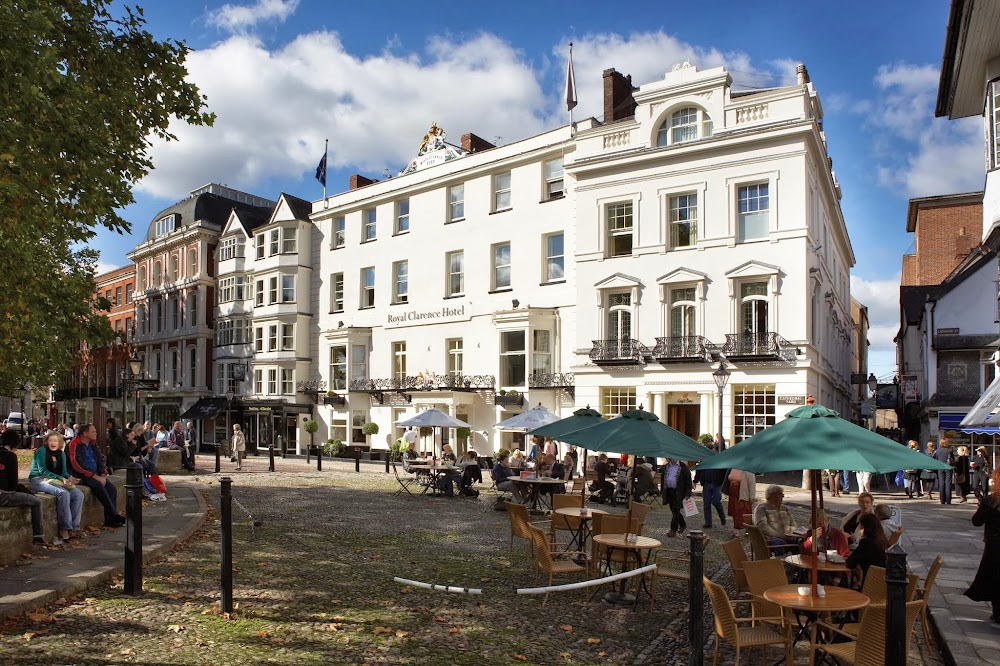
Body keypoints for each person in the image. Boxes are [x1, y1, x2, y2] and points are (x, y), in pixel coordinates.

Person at [29, 431, 84, 542]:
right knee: (63, 493)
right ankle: (64, 528)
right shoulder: (41, 451)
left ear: (60, 443)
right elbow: (42, 470)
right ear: (47, 442)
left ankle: (74, 527)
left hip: (54, 480)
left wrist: (70, 478)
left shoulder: (61, 454)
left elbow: (63, 472)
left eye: (55, 441)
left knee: (79, 494)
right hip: (38, 480)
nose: (53, 443)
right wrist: (60, 479)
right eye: (50, 441)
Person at [68, 424, 124, 527]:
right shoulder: (74, 444)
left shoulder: (93, 444)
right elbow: (76, 465)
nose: (96, 433)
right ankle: (115, 515)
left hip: (96, 474)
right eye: (93, 432)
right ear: (85, 433)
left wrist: (102, 473)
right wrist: (95, 476)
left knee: (112, 489)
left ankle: (110, 520)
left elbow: (100, 460)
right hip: (81, 476)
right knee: (98, 487)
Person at [965, 468, 1000, 623]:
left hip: (995, 545)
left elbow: (976, 521)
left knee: (994, 576)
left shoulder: (991, 501)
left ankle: (997, 612)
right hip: (994, 543)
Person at [0, 430, 47, 544]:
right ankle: (38, 535)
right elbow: (12, 485)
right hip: (3, 495)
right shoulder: (10, 456)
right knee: (36, 502)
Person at [753, 485, 801, 553]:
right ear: (773, 496)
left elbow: (793, 523)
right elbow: (762, 525)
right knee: (778, 542)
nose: (783, 496)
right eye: (781, 494)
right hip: (770, 538)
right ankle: (780, 562)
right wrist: (778, 535)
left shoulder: (784, 508)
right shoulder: (761, 508)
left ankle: (798, 562)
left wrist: (791, 532)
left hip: (787, 535)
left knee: (801, 541)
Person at [846, 513, 888, 584]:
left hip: (869, 582)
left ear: (866, 527)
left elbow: (850, 563)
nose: (860, 529)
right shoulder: (882, 540)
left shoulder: (866, 542)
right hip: (881, 580)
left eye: (861, 526)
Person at [661, 457, 693, 537]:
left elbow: (688, 481)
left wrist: (687, 494)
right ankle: (682, 524)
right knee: (673, 510)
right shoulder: (666, 467)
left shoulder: (683, 467)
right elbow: (663, 480)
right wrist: (662, 492)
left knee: (676, 509)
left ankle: (673, 530)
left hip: (679, 492)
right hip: (669, 491)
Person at [693, 457, 727, 529]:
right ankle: (708, 522)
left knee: (716, 501)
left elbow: (724, 471)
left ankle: (722, 516)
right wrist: (695, 481)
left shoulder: (719, 459)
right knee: (706, 504)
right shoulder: (704, 460)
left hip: (717, 484)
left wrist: (724, 483)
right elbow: (699, 471)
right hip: (707, 483)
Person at [727, 467, 756, 537]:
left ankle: (747, 530)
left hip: (742, 496)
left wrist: (752, 498)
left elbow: (752, 485)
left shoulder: (749, 471)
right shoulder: (733, 468)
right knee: (735, 513)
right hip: (733, 496)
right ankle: (736, 531)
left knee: (743, 513)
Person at [933, 438, 955, 505]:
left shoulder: (937, 450)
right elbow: (952, 459)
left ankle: (942, 500)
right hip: (948, 467)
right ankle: (948, 500)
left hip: (940, 467)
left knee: (941, 483)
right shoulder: (950, 450)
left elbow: (935, 459)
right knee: (948, 483)